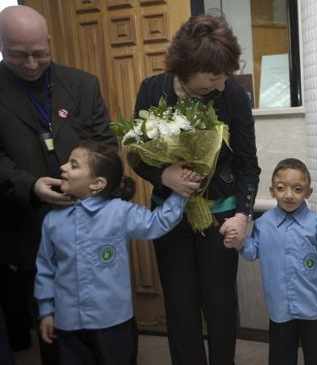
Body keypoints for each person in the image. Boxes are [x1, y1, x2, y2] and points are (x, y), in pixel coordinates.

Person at [129, 14, 261, 365]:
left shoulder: (231, 94)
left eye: (225, 76)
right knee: (180, 305)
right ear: (184, 69)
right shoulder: (152, 89)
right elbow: (135, 155)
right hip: (170, 217)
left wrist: (243, 215)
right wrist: (164, 175)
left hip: (219, 217)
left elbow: (248, 164)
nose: (220, 86)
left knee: (220, 304)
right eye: (212, 78)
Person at [0, 5, 117, 364]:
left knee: (105, 323)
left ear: (50, 43)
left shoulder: (82, 84)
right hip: (27, 225)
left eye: (40, 53)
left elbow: (106, 147)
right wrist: (30, 184)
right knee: (52, 325)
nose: (32, 63)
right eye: (19, 55)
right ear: (2, 46)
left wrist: (92, 186)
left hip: (90, 224)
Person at [34, 141, 198, 365]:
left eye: (73, 165)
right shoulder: (52, 220)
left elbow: (157, 222)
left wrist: (180, 193)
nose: (62, 167)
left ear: (97, 184)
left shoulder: (119, 212)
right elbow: (45, 267)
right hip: (68, 324)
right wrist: (46, 311)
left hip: (113, 323)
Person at [224, 158, 317, 365]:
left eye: (297, 189)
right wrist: (239, 242)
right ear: (272, 191)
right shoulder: (263, 224)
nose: (289, 195)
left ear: (308, 193)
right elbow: (252, 253)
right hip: (280, 307)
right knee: (281, 356)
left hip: (314, 305)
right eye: (281, 188)